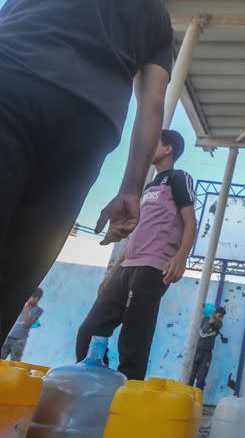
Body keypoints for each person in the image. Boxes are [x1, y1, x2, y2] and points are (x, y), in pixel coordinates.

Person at [0, 0, 173, 342]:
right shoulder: (157, 14)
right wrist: (131, 188)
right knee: (18, 270)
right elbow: (152, 106)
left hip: (14, 84)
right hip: (88, 131)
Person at [76, 130, 196, 380]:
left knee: (133, 341)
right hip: (127, 266)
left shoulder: (178, 178)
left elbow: (190, 221)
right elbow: (137, 233)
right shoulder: (147, 187)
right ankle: (99, 382)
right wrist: (112, 273)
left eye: (156, 143)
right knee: (89, 331)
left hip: (153, 268)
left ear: (168, 149)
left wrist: (181, 257)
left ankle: (127, 396)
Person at [189, 306, 228, 392]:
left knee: (201, 378)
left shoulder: (219, 324)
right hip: (196, 351)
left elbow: (213, 325)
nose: (221, 317)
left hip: (206, 353)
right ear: (215, 313)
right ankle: (187, 397)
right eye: (220, 315)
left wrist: (213, 318)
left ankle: (197, 399)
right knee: (190, 376)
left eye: (223, 316)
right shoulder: (204, 320)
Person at [1, 288, 43, 361]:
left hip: (19, 340)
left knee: (15, 362)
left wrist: (26, 309)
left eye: (30, 297)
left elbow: (27, 324)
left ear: (36, 298)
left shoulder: (38, 310)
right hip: (9, 336)